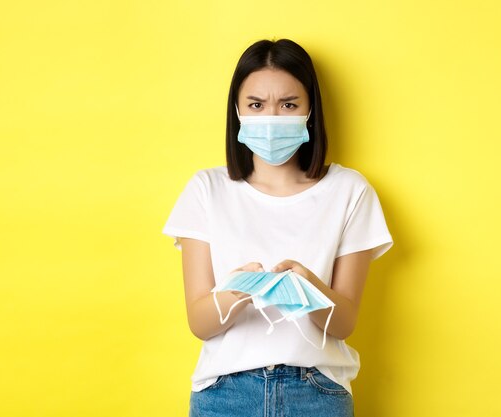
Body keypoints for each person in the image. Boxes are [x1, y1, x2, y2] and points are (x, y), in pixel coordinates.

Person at [163, 38, 393, 416]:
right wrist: (240, 292)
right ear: (237, 110)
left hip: (316, 393)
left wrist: (307, 287)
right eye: (256, 105)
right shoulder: (206, 189)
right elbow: (200, 323)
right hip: (225, 395)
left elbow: (344, 324)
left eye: (289, 105)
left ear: (310, 111)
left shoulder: (350, 191)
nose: (272, 117)